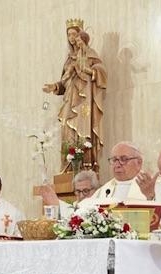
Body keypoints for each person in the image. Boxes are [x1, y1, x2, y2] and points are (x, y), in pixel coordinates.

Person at [43, 20, 107, 171]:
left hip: (84, 99)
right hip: (69, 99)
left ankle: (85, 164)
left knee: (83, 130)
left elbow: (101, 70)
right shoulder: (69, 59)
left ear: (81, 35)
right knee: (67, 131)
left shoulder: (90, 54)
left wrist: (89, 71)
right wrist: (56, 86)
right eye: (69, 34)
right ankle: (69, 165)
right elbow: (64, 82)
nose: (72, 37)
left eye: (74, 34)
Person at [80, 141, 158, 207]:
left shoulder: (152, 187)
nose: (117, 165)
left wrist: (151, 196)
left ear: (139, 162)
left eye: (124, 159)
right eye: (114, 160)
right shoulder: (104, 191)